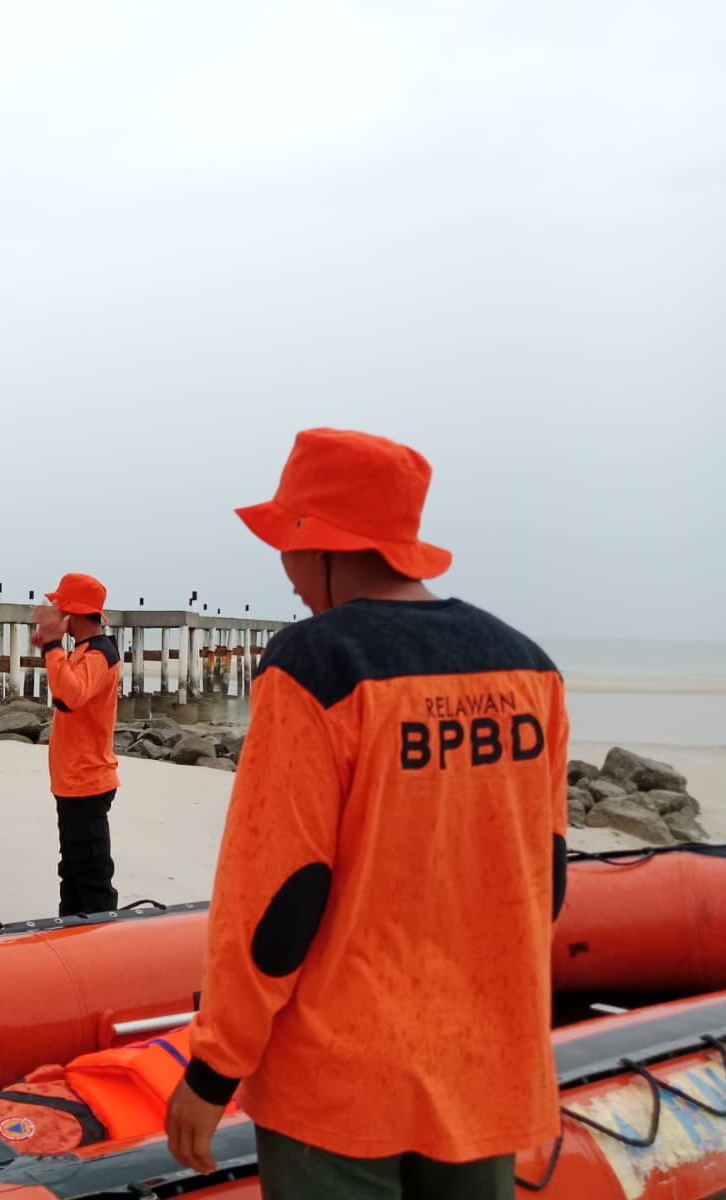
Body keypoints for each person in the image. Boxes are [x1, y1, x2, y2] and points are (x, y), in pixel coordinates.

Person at [164, 429, 568, 1197]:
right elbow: (544, 883)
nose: (283, 569)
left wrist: (214, 1071)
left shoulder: (313, 666)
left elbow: (278, 899)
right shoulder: (529, 669)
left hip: (339, 1090)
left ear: (321, 544)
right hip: (482, 1069)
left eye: (287, 540)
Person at [31, 574, 121, 917]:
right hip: (74, 779)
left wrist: (53, 646)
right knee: (72, 869)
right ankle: (72, 929)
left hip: (87, 779)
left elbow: (69, 696)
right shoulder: (85, 650)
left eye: (60, 607)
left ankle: (97, 940)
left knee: (91, 873)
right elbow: (66, 690)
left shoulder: (99, 653)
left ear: (73, 613)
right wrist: (51, 648)